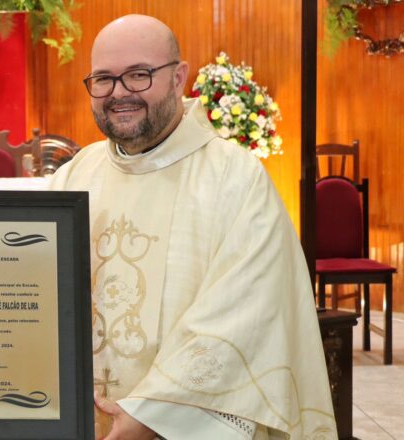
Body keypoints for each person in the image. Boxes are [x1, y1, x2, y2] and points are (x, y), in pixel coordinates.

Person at [49, 15, 336, 440]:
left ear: (179, 76)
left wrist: (152, 415)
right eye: (104, 79)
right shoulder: (74, 177)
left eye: (138, 75)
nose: (118, 93)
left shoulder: (235, 179)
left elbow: (244, 311)